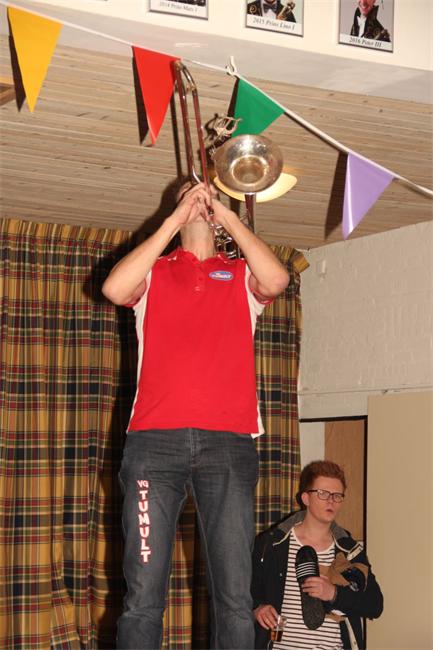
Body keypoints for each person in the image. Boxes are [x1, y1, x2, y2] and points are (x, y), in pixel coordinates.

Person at [102, 181, 289, 649]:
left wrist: (227, 216)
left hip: (228, 442)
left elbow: (277, 281)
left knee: (234, 595)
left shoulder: (240, 275)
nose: (200, 201)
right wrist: (173, 220)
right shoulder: (155, 272)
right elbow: (114, 288)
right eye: (190, 195)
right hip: (153, 444)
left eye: (207, 197)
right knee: (142, 596)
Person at [252, 460, 383, 649]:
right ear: (306, 498)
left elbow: (375, 605)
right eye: (323, 493)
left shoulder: (350, 550)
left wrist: (334, 594)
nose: (331, 501)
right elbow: (244, 592)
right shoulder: (271, 544)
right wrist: (257, 607)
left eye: (337, 496)